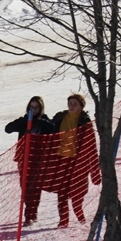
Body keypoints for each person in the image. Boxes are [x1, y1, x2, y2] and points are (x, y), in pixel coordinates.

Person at [49, 94, 101, 228]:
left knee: (78, 191)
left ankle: (80, 217)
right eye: (70, 103)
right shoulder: (60, 118)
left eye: (75, 104)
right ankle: (63, 221)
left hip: (79, 162)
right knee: (62, 192)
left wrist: (95, 170)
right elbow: (48, 134)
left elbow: (91, 146)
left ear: (81, 106)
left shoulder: (85, 122)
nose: (72, 106)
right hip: (61, 159)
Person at [5, 96, 55, 226]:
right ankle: (28, 214)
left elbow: (55, 129)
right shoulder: (24, 120)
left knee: (36, 186)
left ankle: (33, 213)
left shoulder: (45, 120)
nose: (34, 109)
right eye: (31, 107)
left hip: (39, 159)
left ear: (41, 108)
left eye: (36, 107)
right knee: (26, 186)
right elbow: (8, 129)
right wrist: (25, 120)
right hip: (24, 158)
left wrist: (40, 121)